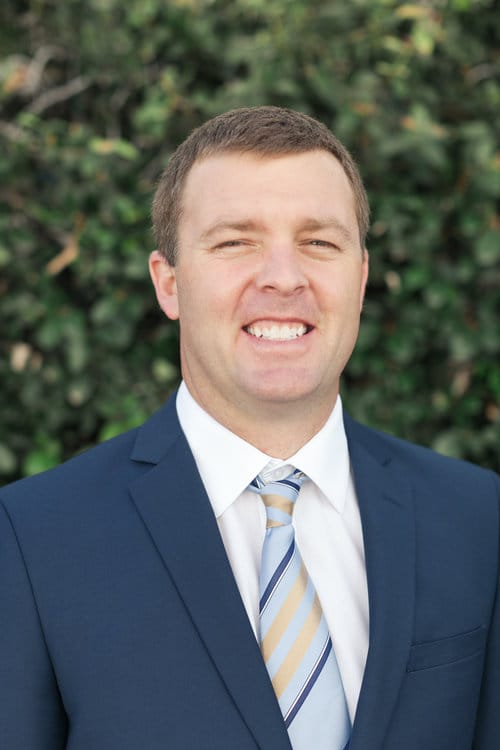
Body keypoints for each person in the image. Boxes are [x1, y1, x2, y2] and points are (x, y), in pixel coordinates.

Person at [0, 106, 498, 750]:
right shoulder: (31, 538)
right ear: (169, 283)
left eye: (319, 242)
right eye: (236, 242)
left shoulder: (475, 516)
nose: (285, 278)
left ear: (362, 277)